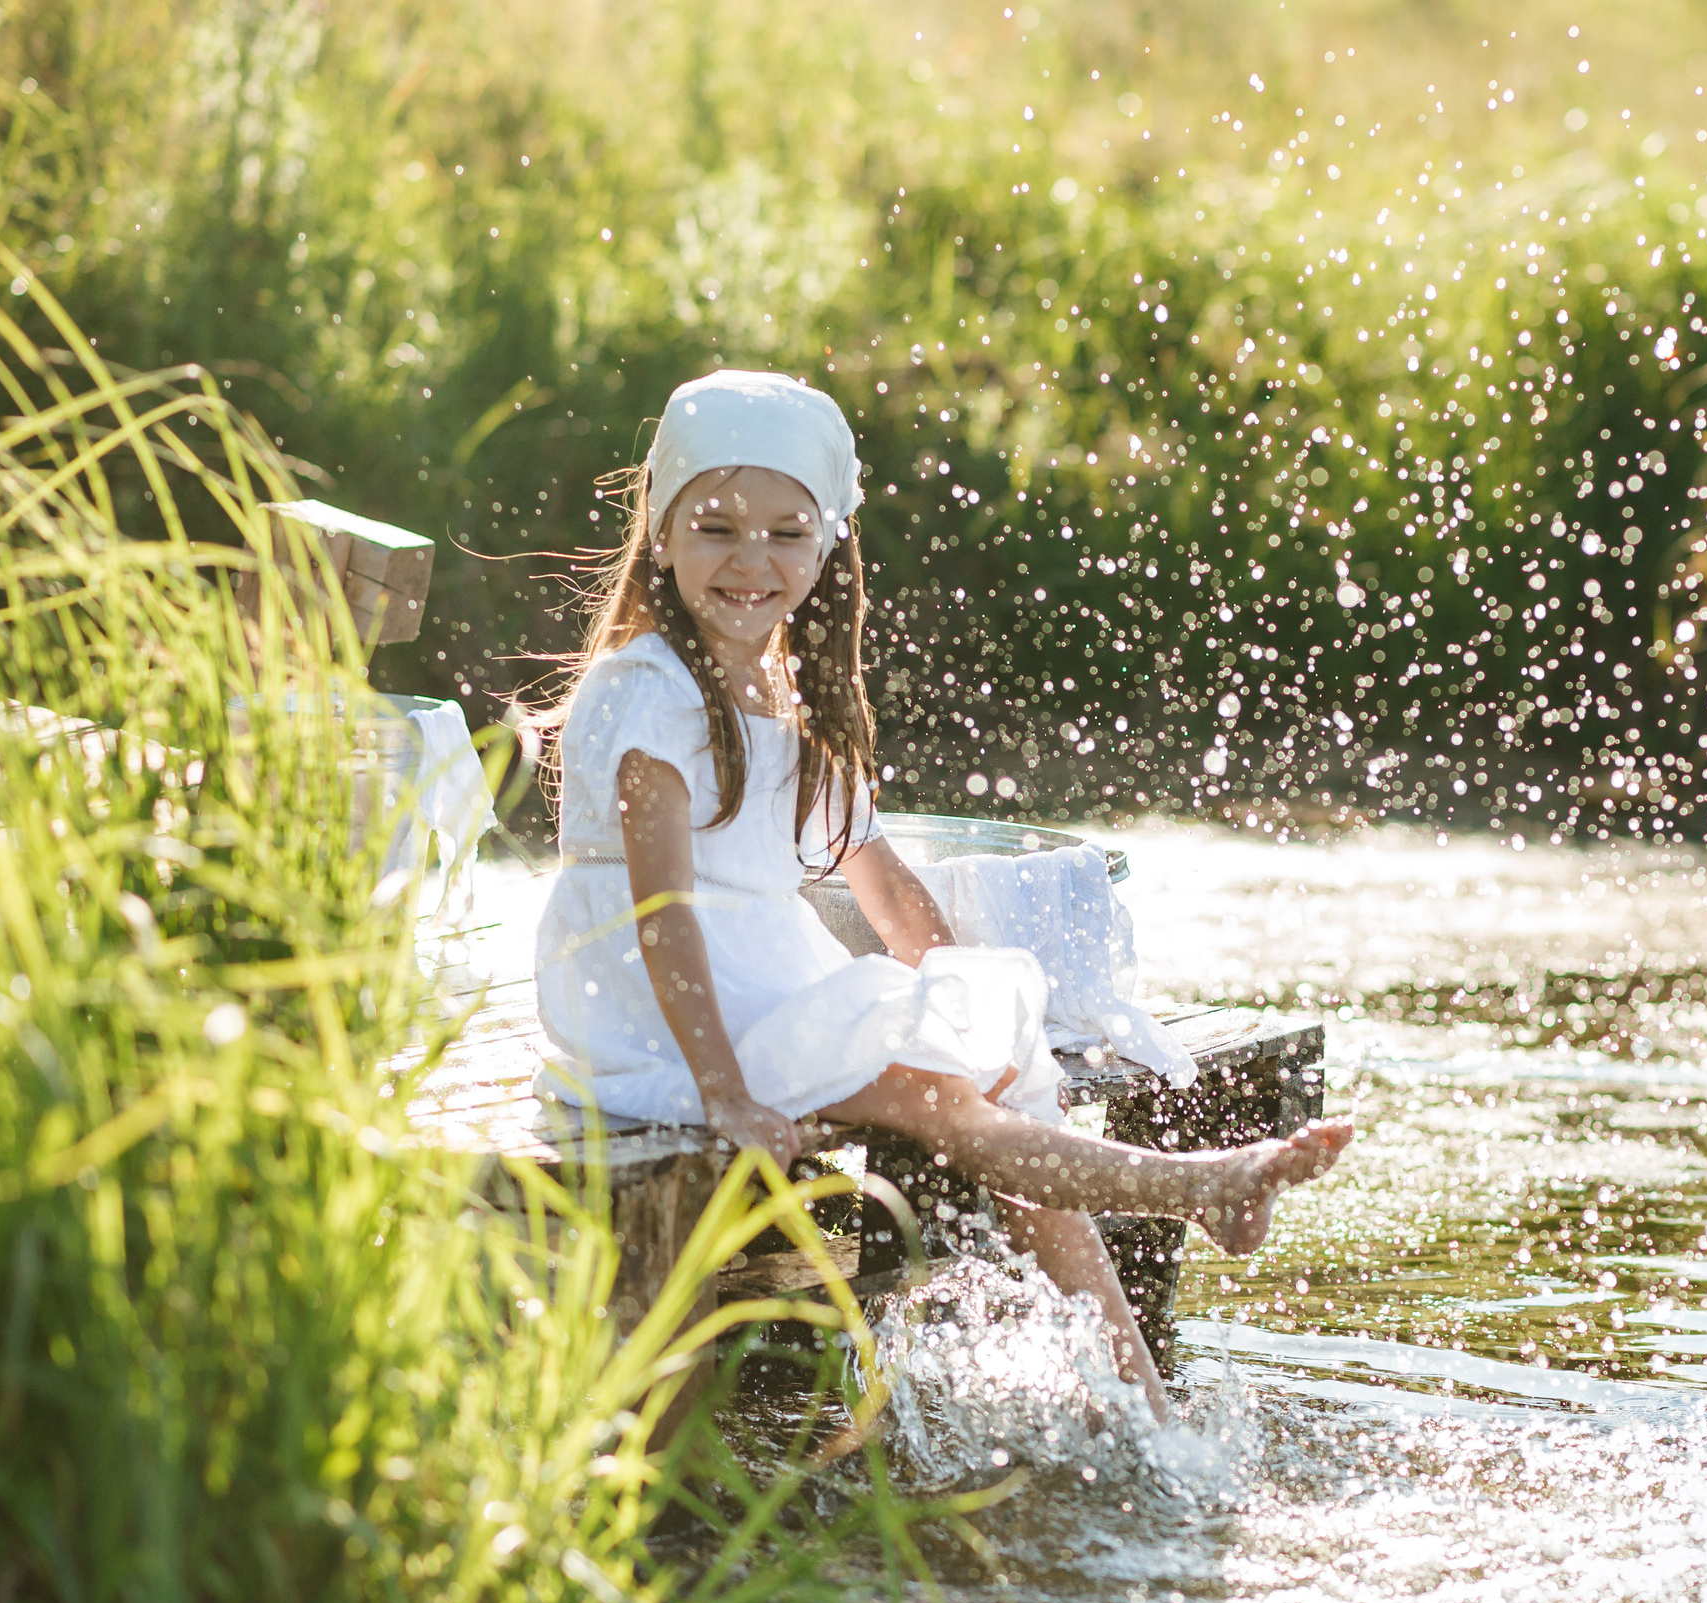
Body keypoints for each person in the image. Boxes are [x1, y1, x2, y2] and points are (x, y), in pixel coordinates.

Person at [533, 369, 1351, 1418]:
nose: (751, 560)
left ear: (828, 549)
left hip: (756, 979)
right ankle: (1195, 1183)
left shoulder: (789, 688)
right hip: (658, 1013)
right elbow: (664, 913)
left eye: (787, 533)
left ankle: (1145, 1406)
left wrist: (960, 999)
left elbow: (883, 883)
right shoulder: (646, 686)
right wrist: (727, 1091)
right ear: (661, 532)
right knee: (934, 1098)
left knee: (987, 1070)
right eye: (717, 526)